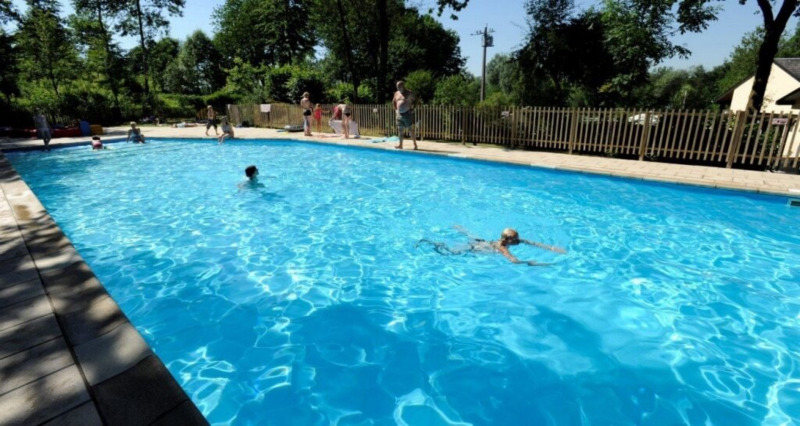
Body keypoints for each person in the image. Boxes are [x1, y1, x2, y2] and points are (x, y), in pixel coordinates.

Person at [417, 226, 566, 266]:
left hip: (485, 242)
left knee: (475, 237)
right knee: (449, 252)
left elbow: (532, 243)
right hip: (477, 248)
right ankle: (434, 243)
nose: (518, 241)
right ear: (507, 241)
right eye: (515, 239)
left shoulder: (513, 240)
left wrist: (551, 248)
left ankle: (462, 229)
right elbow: (512, 260)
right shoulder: (502, 247)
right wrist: (530, 262)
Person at [392, 80, 417, 150]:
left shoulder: (409, 93)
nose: (397, 87)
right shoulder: (396, 93)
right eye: (397, 86)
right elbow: (394, 102)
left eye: (399, 86)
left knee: (411, 130)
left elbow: (416, 101)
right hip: (399, 115)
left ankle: (415, 145)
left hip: (407, 114)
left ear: (403, 86)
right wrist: (396, 110)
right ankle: (400, 145)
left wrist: (413, 108)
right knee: (400, 130)